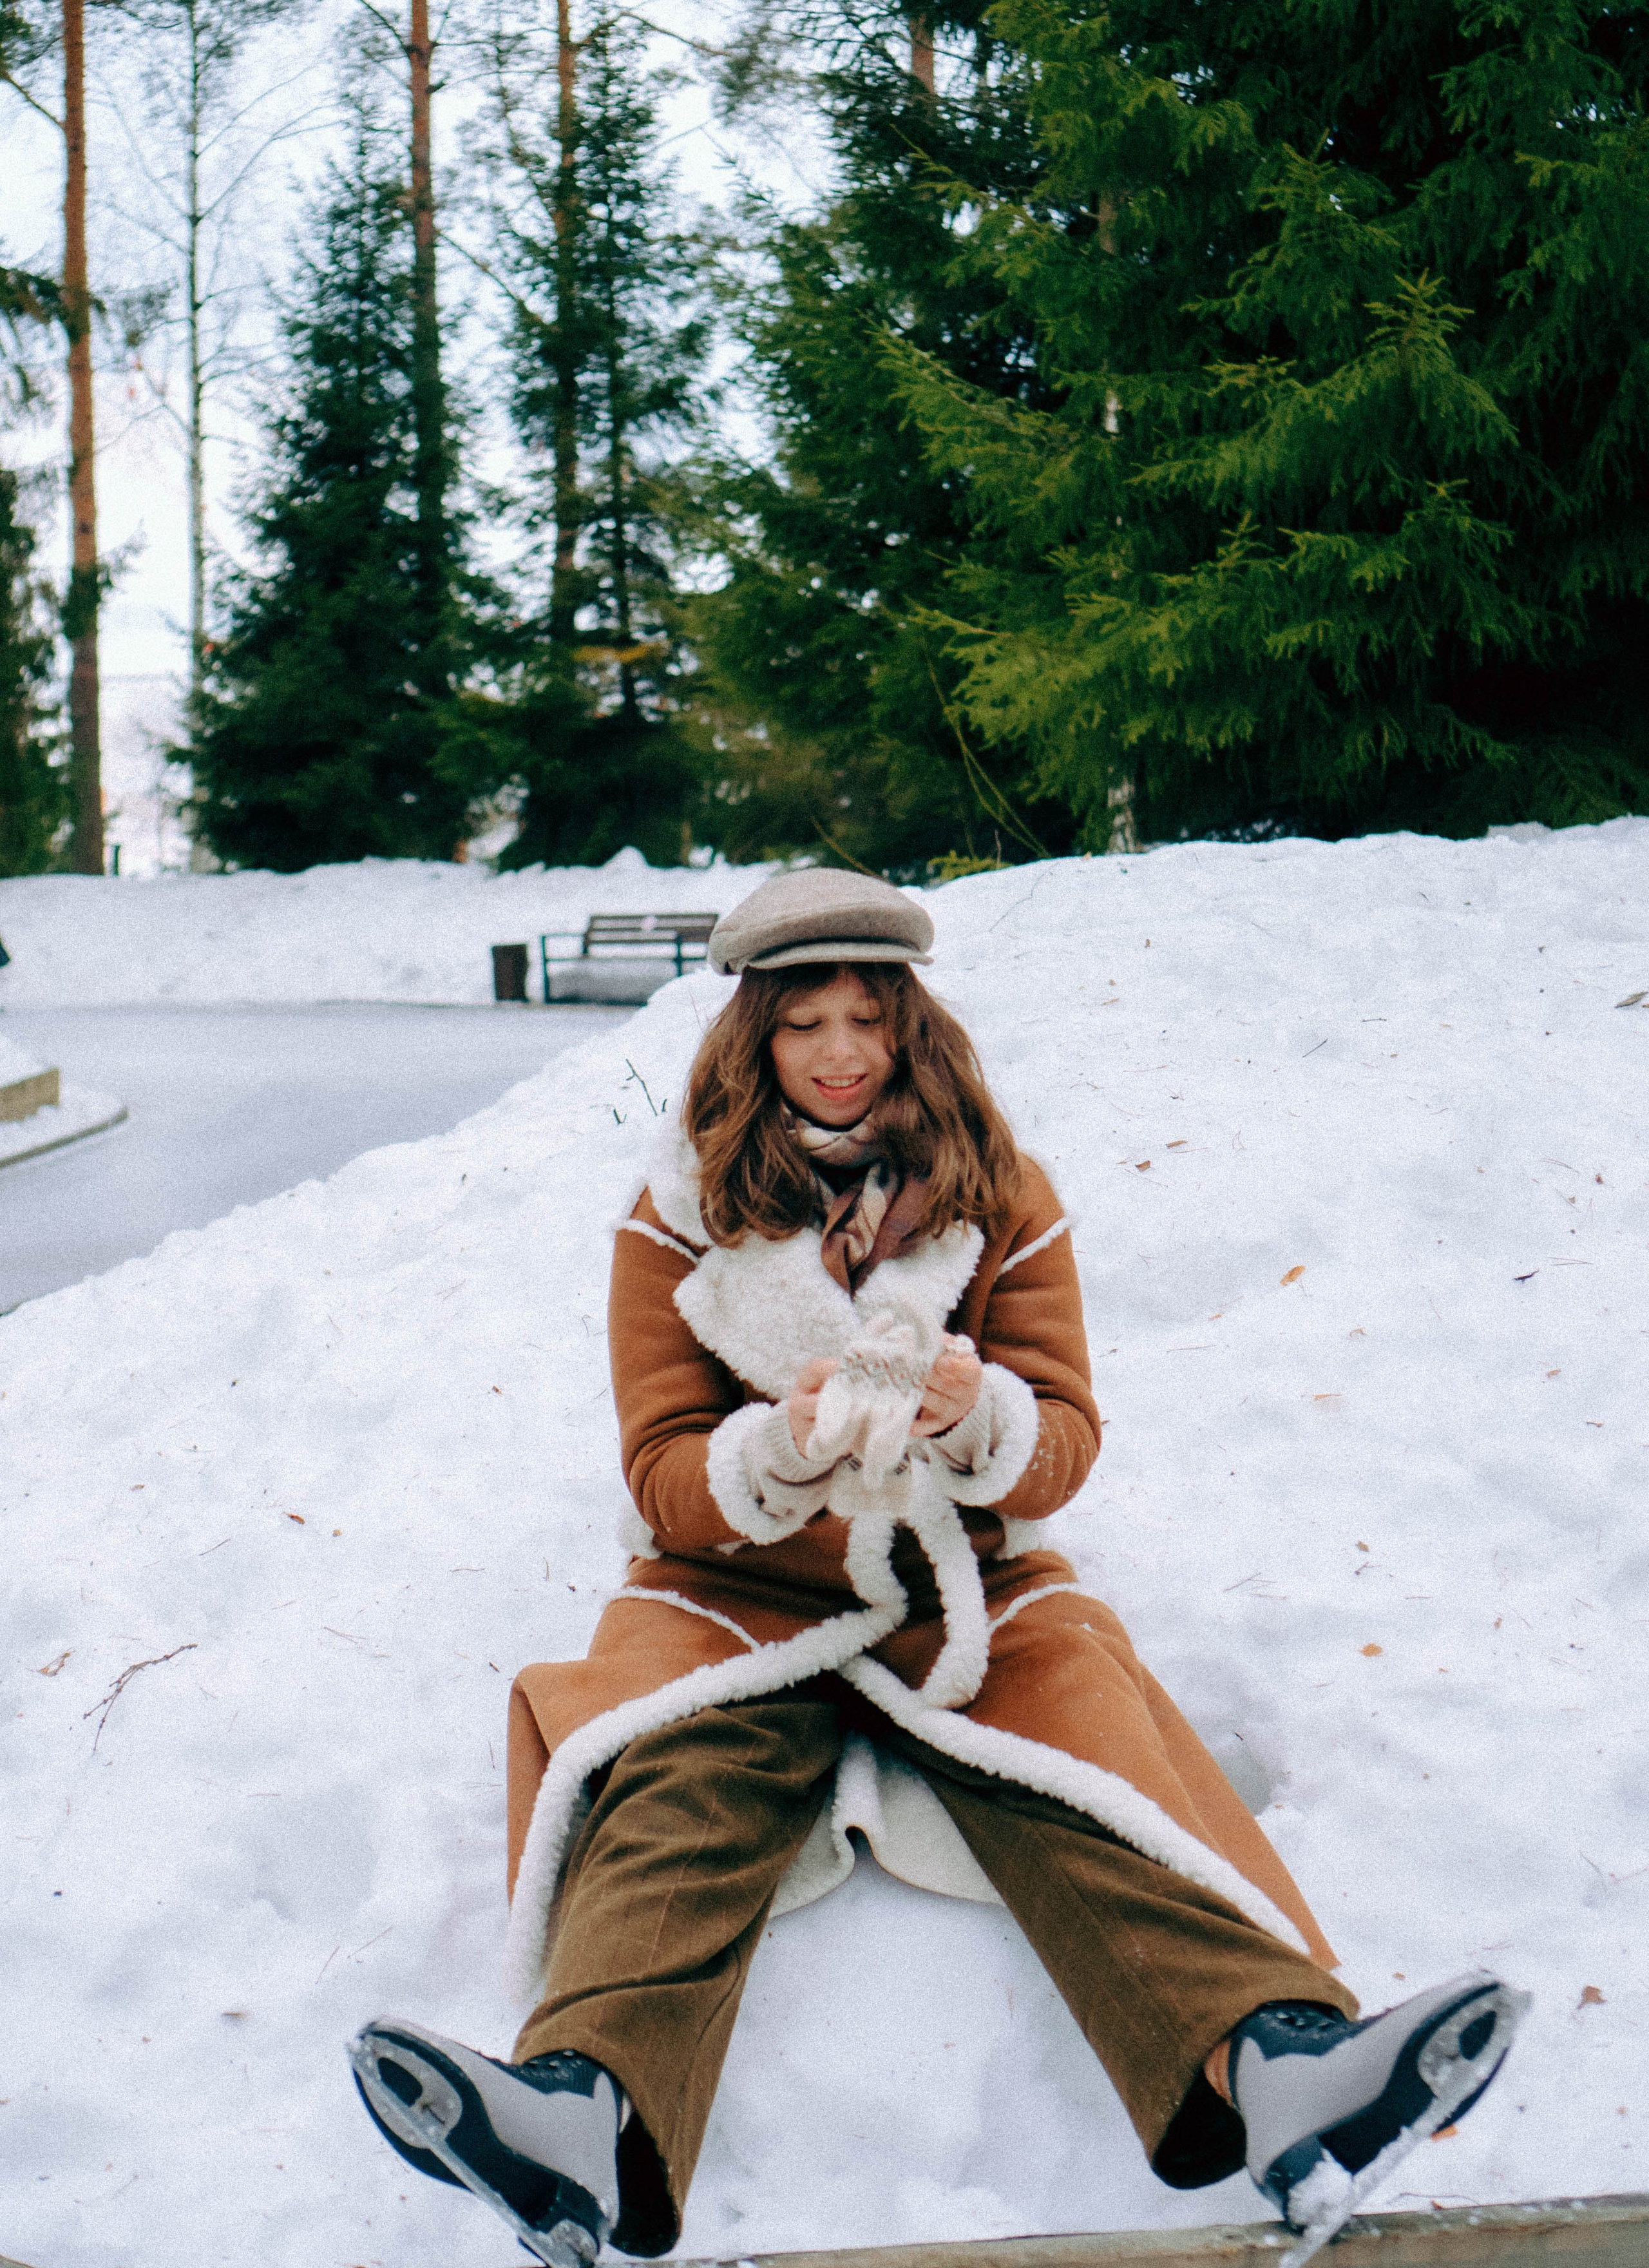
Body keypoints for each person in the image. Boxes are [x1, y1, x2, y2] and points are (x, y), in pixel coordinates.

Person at [350, 870, 1525, 2268]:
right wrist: (771, 1455)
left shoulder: (1000, 1192)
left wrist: (977, 1413)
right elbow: (660, 1466)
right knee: (676, 1782)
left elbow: (1064, 1438)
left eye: (868, 1019)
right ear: (753, 1040)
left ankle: (1277, 2067)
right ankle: (578, 2114)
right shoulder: (671, 1215)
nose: (840, 1052)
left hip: (966, 1578)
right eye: (804, 1024)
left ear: (914, 1031)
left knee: (1089, 1763)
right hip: (735, 1590)